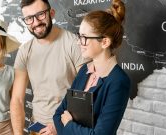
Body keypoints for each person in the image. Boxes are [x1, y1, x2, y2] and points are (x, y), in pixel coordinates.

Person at [10, 0, 88, 134]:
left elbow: (86, 93)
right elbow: (17, 99)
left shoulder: (73, 44)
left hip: (67, 128)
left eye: (40, 14)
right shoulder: (25, 51)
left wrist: (57, 126)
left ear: (51, 13)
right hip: (37, 128)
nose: (35, 22)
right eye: (29, 18)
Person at [53, 0, 130, 134]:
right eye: (79, 36)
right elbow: (58, 115)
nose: (79, 42)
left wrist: (69, 124)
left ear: (104, 42)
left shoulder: (118, 81)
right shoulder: (85, 70)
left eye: (84, 37)